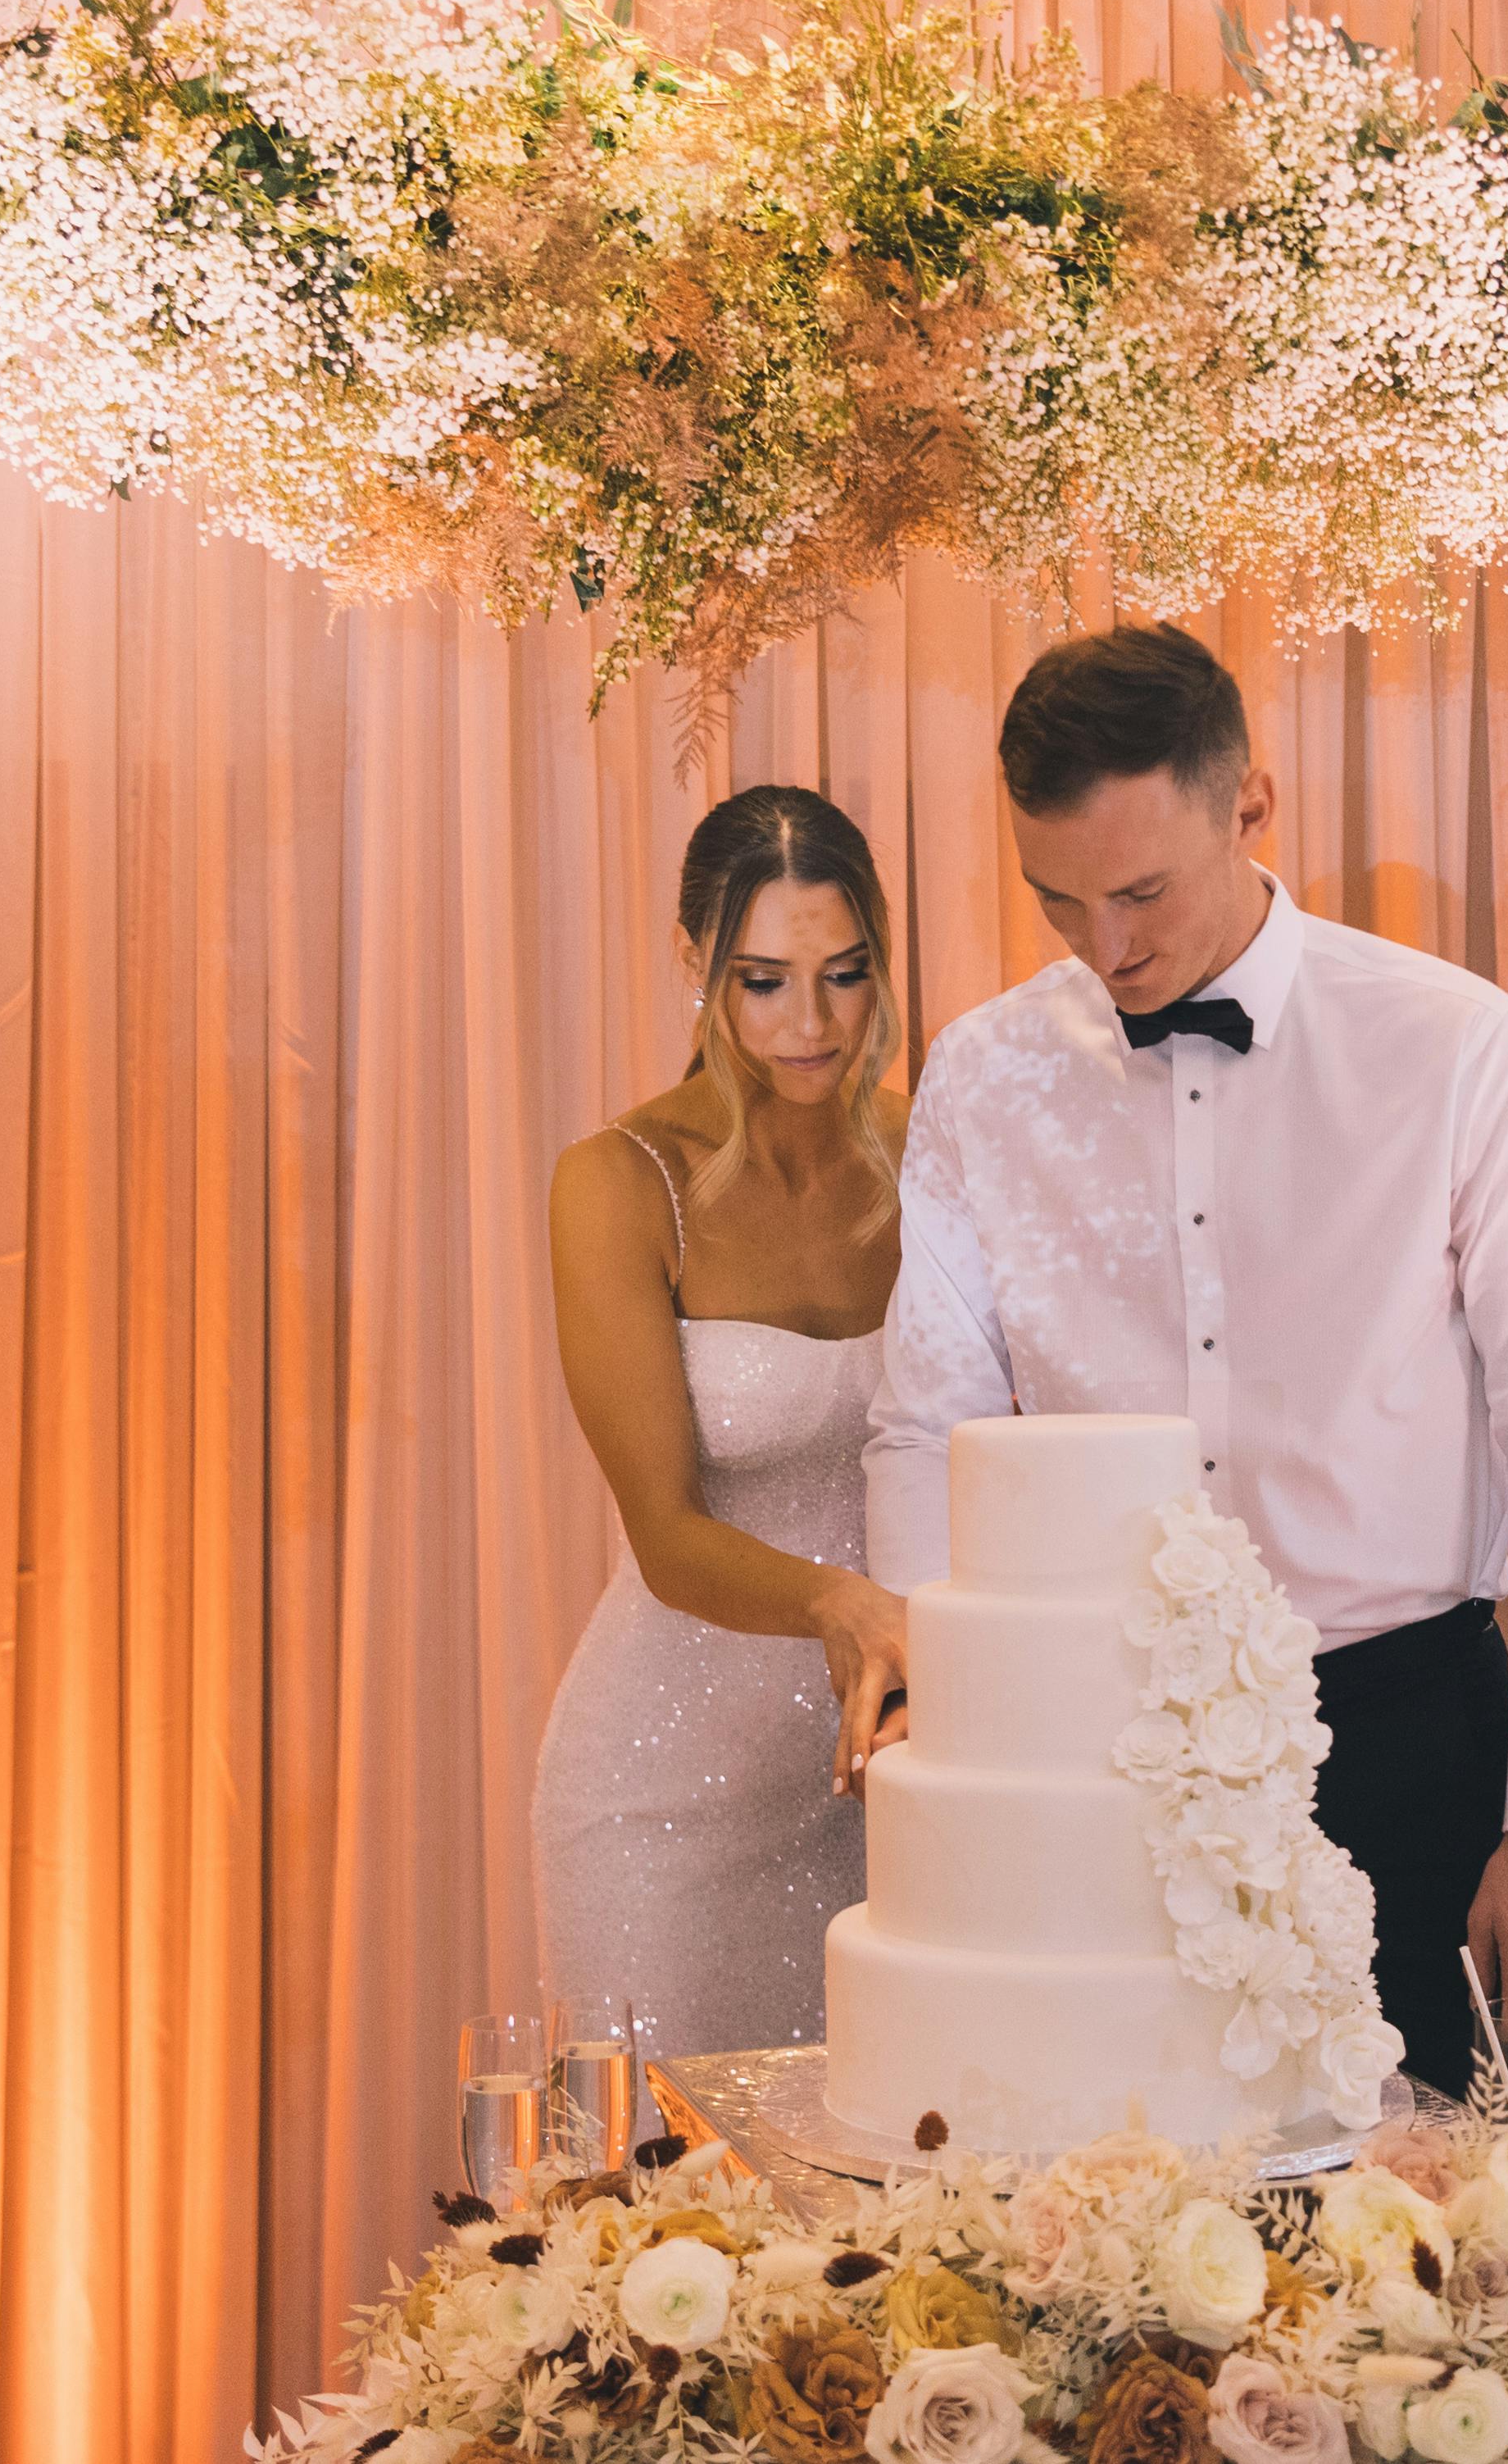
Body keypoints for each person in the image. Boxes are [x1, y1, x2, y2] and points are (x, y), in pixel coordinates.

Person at [863, 624, 1508, 2100]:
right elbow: (926, 1427)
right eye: (1058, 901)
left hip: (1408, 1735)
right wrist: (944, 1709)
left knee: (1420, 2275)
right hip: (1093, 1754)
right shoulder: (980, 1074)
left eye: (1143, 891)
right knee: (1104, 2243)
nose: (1107, 949)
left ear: (1250, 807)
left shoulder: (1456, 1050)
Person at [532, 784, 918, 2065]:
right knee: (664, 2224)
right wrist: (842, 1603)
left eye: (843, 974)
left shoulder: (932, 1155)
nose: (808, 1025)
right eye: (761, 981)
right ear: (694, 960)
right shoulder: (618, 1184)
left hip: (893, 1782)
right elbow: (664, 1533)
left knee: (897, 2236)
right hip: (665, 1800)